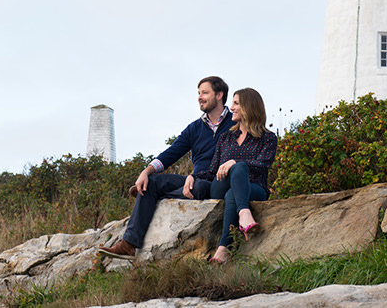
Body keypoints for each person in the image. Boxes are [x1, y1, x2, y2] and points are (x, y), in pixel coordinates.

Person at [98, 76, 234, 260]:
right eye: (199, 93)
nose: (199, 97)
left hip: (216, 181)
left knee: (199, 187)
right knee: (150, 183)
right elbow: (171, 153)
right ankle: (129, 245)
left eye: (205, 92)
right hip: (192, 180)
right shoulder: (195, 128)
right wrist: (146, 171)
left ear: (219, 95)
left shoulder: (236, 122)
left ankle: (151, 200)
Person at [183, 87, 276, 264]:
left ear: (249, 107)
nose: (231, 108)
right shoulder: (225, 138)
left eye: (236, 103)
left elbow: (264, 164)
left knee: (234, 189)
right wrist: (193, 176)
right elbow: (212, 171)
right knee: (236, 172)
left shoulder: (268, 138)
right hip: (221, 185)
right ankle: (244, 214)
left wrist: (235, 163)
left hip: (254, 188)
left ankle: (223, 249)